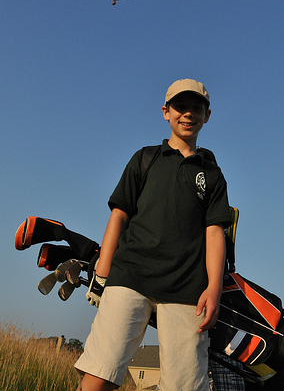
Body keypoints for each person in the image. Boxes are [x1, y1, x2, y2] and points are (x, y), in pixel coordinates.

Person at [75, 78, 232, 391]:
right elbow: (119, 214)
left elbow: (215, 232)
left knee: (183, 386)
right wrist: (102, 272)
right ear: (166, 112)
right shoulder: (145, 159)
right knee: (99, 374)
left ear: (207, 115)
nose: (188, 114)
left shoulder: (212, 174)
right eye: (180, 107)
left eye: (196, 108)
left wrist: (214, 287)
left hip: (187, 290)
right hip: (130, 276)